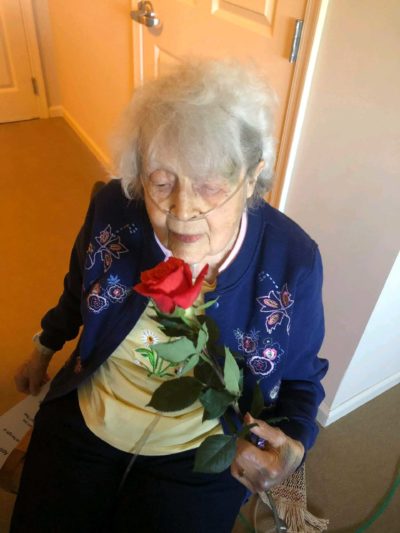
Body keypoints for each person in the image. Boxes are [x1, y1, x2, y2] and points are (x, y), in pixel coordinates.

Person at [12, 59, 328, 532]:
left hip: (205, 447)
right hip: (92, 411)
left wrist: (294, 447)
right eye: (161, 183)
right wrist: (45, 345)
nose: (182, 210)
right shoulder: (113, 208)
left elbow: (302, 381)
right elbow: (80, 284)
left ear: (252, 179)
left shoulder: (292, 260)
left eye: (210, 187)